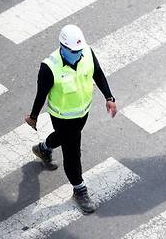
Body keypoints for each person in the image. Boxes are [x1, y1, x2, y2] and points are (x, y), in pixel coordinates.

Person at [25, 24, 117, 213]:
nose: (78, 53)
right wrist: (33, 116)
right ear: (63, 47)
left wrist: (109, 97)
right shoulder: (49, 67)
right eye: (73, 51)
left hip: (82, 113)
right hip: (62, 116)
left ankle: (43, 148)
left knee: (64, 137)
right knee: (72, 151)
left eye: (79, 49)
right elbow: (41, 94)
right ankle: (79, 189)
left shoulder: (87, 52)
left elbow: (97, 73)